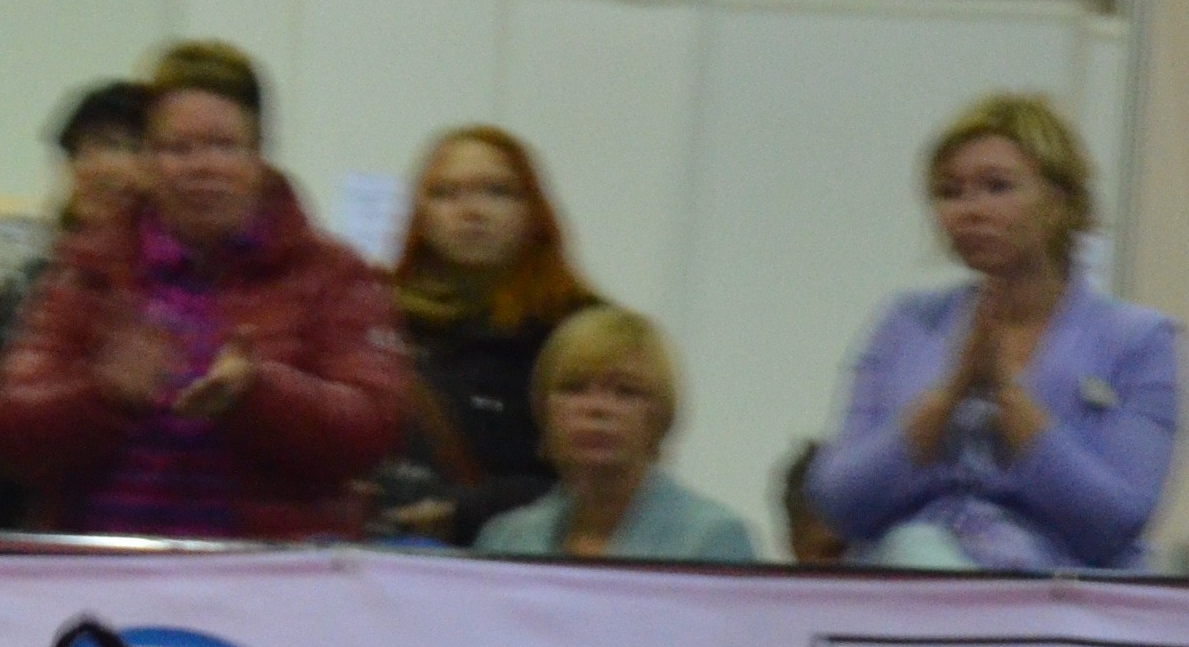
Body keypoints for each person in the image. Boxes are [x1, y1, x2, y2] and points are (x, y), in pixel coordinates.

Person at [0, 41, 406, 539]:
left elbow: (373, 431)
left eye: (223, 146)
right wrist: (102, 395)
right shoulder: (85, 268)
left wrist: (259, 393)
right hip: (98, 563)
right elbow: (4, 432)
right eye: (178, 148)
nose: (202, 167)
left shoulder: (333, 274)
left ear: (258, 156)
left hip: (268, 573)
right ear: (149, 160)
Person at [802, 93, 1175, 573]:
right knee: (913, 548)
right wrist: (948, 396)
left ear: (1060, 201)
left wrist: (1007, 396)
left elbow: (1115, 523)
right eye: (950, 192)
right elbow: (837, 501)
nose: (969, 210)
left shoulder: (1138, 340)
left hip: (1058, 597)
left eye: (996, 187)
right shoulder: (905, 323)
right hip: (908, 587)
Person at [0, 80, 152, 527]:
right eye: (84, 151)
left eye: (125, 147)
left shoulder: (194, 284)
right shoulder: (30, 286)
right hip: (43, 538)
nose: (103, 167)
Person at [371, 126, 596, 543]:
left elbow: (601, 480)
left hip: (526, 560)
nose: (471, 211)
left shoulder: (582, 334)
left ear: (534, 209)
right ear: (420, 214)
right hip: (391, 557)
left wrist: (464, 511)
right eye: (445, 193)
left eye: (497, 191)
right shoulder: (376, 320)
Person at [472, 307, 755, 562]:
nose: (597, 408)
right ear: (542, 410)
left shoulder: (713, 540)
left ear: (660, 417)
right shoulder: (506, 539)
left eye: (626, 391)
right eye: (574, 388)